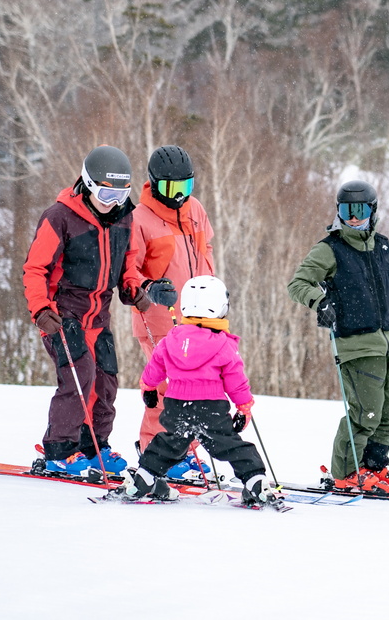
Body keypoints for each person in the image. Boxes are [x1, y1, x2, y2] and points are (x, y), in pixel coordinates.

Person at [22, 145, 177, 477]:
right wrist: (41, 310)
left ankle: (93, 447)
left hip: (99, 315)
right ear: (89, 184)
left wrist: (135, 289)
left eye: (121, 195)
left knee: (106, 381)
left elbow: (127, 267)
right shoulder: (60, 217)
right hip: (63, 314)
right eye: (107, 194)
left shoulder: (123, 218)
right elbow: (35, 269)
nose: (114, 203)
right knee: (80, 377)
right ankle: (60, 451)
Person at [287, 180, 389, 496]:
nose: (353, 218)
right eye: (346, 211)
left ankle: (374, 465)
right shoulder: (330, 249)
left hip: (388, 342)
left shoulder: (384, 247)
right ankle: (345, 472)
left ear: (372, 212)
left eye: (359, 211)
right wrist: (321, 301)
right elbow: (298, 283)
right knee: (366, 412)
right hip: (356, 344)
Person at [128, 275, 277, 506]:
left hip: (177, 405)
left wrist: (148, 386)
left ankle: (145, 477)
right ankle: (254, 481)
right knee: (230, 445)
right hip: (211, 408)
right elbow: (235, 379)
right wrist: (243, 406)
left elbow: (155, 365)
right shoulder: (223, 343)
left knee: (169, 443)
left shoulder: (171, 339)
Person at [129, 145, 216, 480]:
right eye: (171, 189)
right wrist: (149, 286)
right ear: (154, 184)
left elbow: (205, 249)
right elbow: (128, 270)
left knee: (193, 386)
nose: (179, 196)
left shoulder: (195, 209)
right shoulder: (139, 219)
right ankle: (155, 448)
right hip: (159, 317)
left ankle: (182, 451)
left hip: (198, 318)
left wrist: (213, 287)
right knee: (167, 386)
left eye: (186, 187)